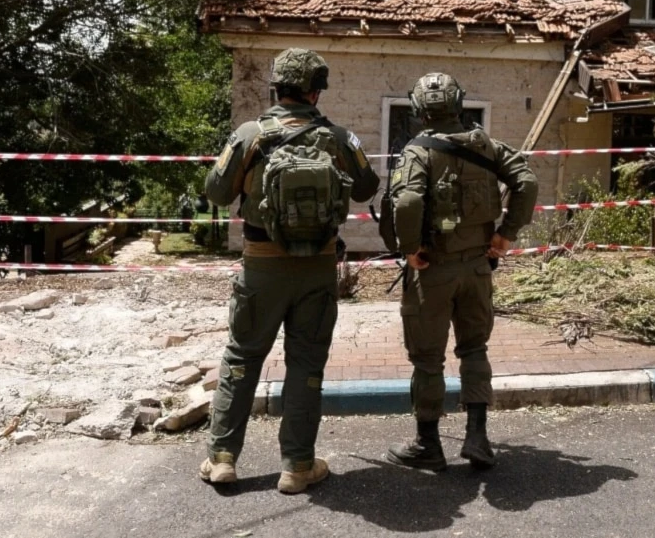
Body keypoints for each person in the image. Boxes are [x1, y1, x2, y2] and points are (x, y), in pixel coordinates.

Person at [200, 48, 380, 493]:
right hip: (317, 269)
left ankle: (222, 459)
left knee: (242, 357)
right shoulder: (340, 138)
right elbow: (368, 187)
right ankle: (297, 466)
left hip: (261, 269)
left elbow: (217, 193)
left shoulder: (248, 135)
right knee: (306, 363)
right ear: (316, 91)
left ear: (276, 87)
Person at [385, 72, 537, 471]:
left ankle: (428, 445)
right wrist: (505, 235)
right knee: (474, 349)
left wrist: (410, 248)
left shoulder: (417, 152)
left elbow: (406, 204)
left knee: (428, 359)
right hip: (477, 268)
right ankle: (478, 437)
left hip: (433, 270)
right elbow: (526, 180)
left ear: (419, 112)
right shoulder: (486, 145)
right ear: (459, 104)